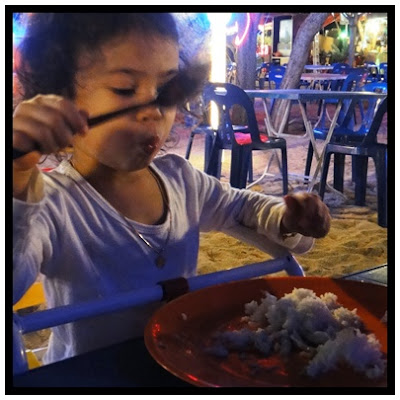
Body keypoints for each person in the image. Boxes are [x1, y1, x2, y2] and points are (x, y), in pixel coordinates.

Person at [13, 13, 331, 365]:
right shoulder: (53, 203)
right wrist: (16, 176)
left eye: (165, 90)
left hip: (180, 364)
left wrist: (287, 218)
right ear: (59, 98)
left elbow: (242, 208)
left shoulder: (181, 180)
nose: (153, 111)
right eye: (125, 89)